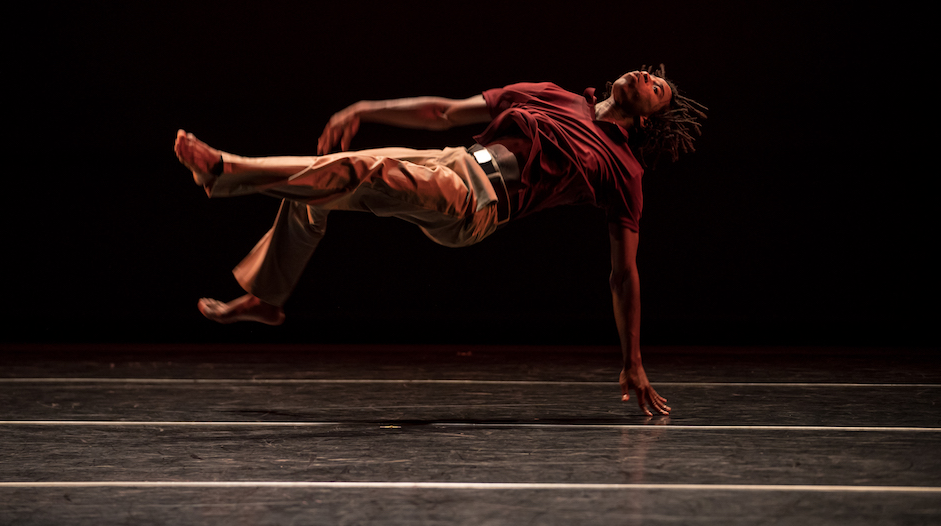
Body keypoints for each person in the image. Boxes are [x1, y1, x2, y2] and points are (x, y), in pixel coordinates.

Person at [174, 66, 706, 416]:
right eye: (647, 71)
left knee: (365, 170)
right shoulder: (556, 96)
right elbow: (445, 112)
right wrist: (365, 108)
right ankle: (268, 297)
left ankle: (225, 171)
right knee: (318, 185)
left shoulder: (624, 170)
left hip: (477, 203)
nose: (643, 75)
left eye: (656, 88)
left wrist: (633, 359)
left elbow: (623, 274)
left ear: (647, 121)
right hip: (450, 161)